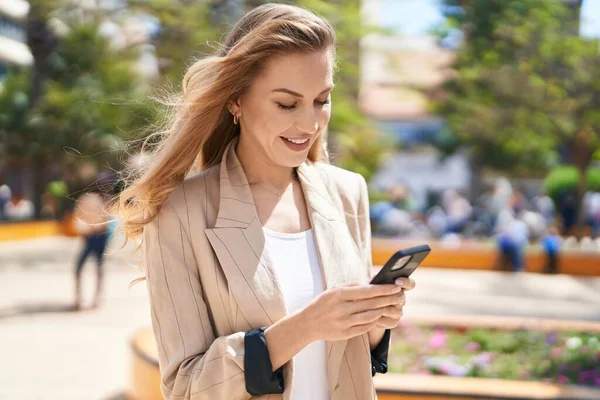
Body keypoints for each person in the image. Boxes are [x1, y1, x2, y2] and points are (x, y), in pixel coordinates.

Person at [115, 4, 415, 400]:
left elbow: (352, 363)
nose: (309, 124)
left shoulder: (347, 192)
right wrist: (304, 327)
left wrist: (376, 321)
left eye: (321, 100)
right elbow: (185, 388)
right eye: (287, 104)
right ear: (236, 100)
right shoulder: (181, 212)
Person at [73, 191, 109, 311]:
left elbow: (79, 218)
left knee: (81, 268)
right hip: (97, 236)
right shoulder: (99, 200)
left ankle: (82, 299)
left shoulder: (86, 199)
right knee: (98, 268)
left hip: (93, 236)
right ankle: (93, 299)